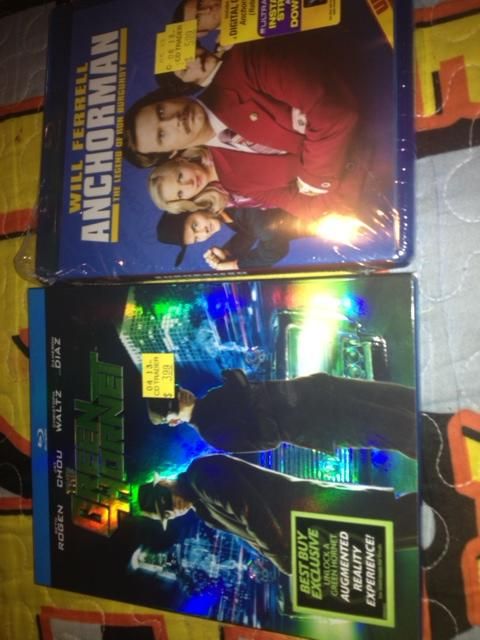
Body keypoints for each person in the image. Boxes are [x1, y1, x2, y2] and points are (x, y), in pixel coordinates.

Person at [124, 34, 366, 221]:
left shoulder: (241, 65)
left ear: (166, 98)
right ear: (171, 153)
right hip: (369, 181)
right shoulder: (233, 181)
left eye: (161, 111)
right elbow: (307, 208)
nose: (172, 120)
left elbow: (334, 111)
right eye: (162, 135)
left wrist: (315, 180)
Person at [137, 453, 417, 574]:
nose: (173, 508)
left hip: (315, 510)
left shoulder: (200, 476)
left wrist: (282, 560)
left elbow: (251, 510)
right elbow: (250, 535)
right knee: (391, 534)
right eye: (167, 514)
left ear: (166, 482)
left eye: (166, 501)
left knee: (398, 520)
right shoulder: (202, 509)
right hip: (310, 526)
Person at [147, 369, 417, 458]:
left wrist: (245, 389)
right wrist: (249, 395)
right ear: (174, 421)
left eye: (175, 390)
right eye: (173, 404)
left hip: (320, 393)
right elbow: (268, 439)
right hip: (321, 421)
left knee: (401, 398)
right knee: (401, 429)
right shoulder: (212, 433)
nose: (180, 396)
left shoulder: (213, 397)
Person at [156, 206, 308, 270]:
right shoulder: (229, 213)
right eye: (197, 238)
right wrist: (228, 253)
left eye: (194, 226)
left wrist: (234, 265)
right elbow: (249, 232)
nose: (203, 232)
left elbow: (274, 247)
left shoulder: (240, 208)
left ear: (192, 208)